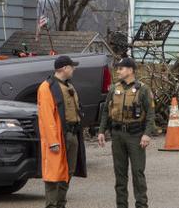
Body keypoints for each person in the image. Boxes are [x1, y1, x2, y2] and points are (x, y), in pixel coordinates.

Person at [98, 57, 156, 208]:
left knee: (138, 173)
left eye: (121, 68)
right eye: (117, 68)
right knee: (120, 174)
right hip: (117, 135)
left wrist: (147, 134)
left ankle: (141, 205)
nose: (118, 71)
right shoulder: (114, 88)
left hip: (135, 136)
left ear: (130, 70)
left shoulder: (143, 89)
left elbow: (150, 114)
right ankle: (121, 205)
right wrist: (101, 131)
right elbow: (106, 111)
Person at [37, 56, 87, 208]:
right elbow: (47, 117)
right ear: (65, 68)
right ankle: (52, 205)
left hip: (72, 134)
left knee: (68, 172)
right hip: (58, 137)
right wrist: (53, 142)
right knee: (53, 174)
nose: (74, 69)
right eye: (72, 67)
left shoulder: (68, 85)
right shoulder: (46, 87)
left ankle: (60, 204)